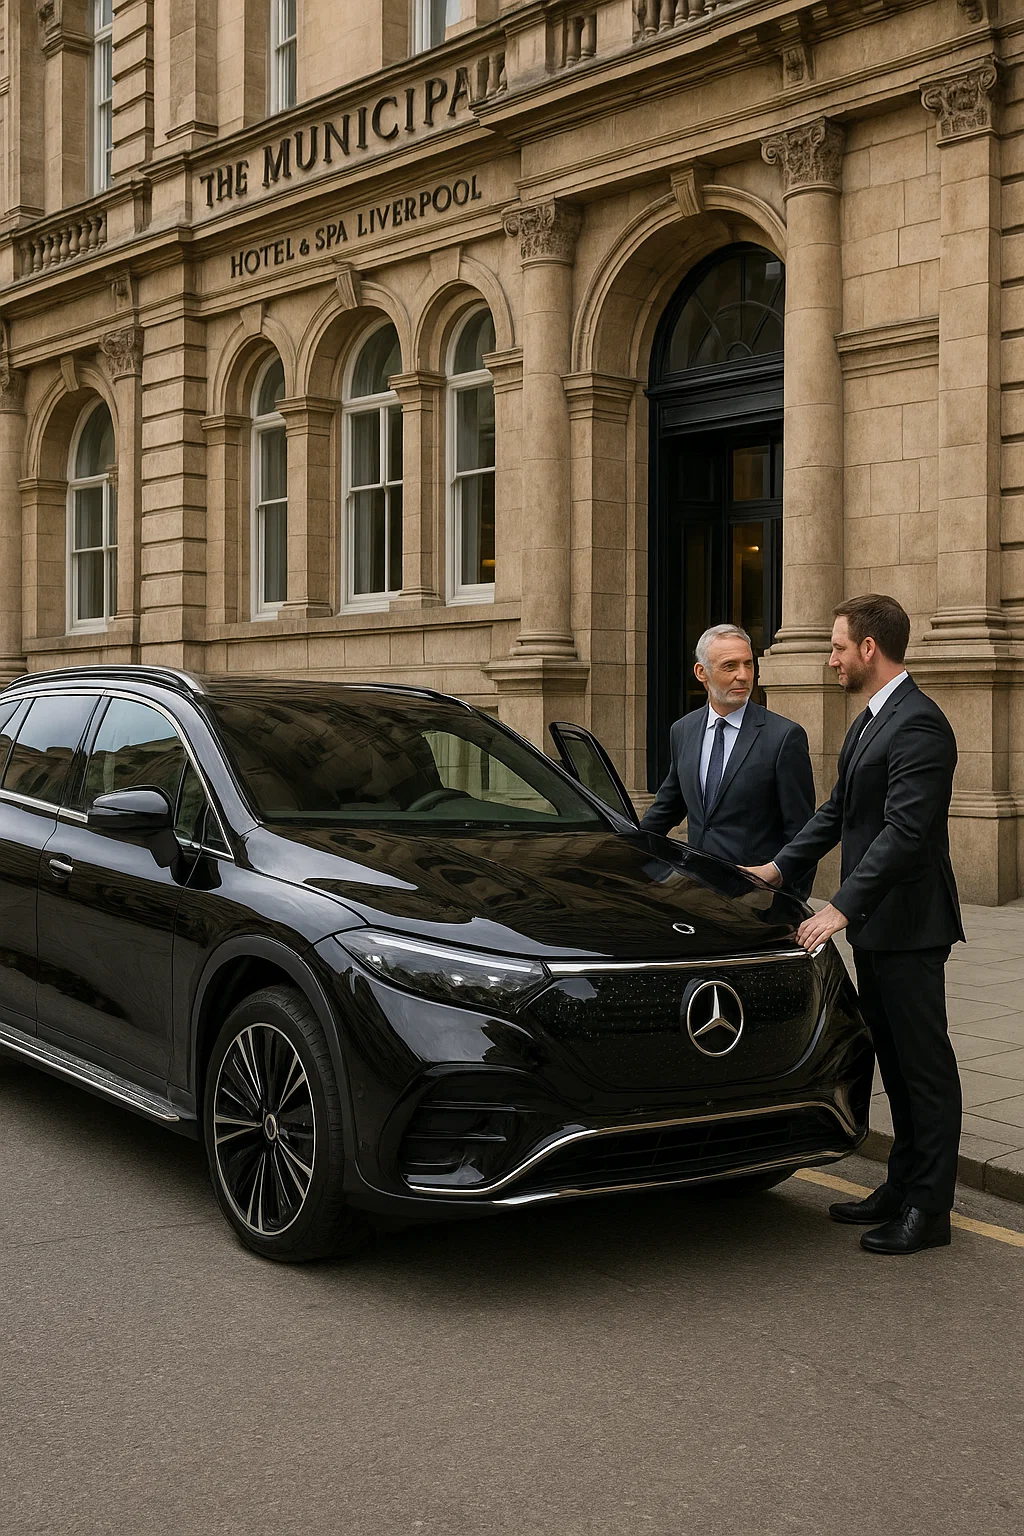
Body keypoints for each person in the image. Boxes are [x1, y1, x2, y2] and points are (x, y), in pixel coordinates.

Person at [745, 594, 964, 1256]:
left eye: (838, 646)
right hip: (878, 927)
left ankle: (930, 1208)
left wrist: (838, 909)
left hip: (910, 927)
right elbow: (837, 812)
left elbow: (904, 834)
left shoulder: (920, 725)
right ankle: (901, 1187)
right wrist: (777, 869)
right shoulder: (871, 720)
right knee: (893, 1063)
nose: (831, 658)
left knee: (923, 1070)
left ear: (870, 648)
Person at [641, 623, 817, 899]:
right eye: (730, 666)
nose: (743, 676)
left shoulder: (783, 737)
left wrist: (791, 902)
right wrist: (626, 852)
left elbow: (802, 833)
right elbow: (667, 807)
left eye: (748, 664)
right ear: (701, 672)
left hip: (756, 899)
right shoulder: (683, 730)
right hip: (697, 893)